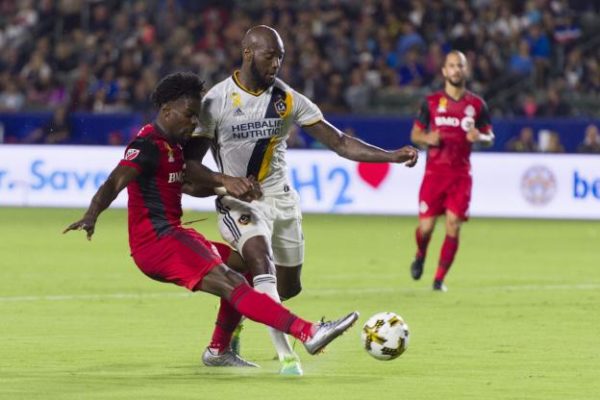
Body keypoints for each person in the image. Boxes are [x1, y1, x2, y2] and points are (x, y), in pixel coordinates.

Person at [63, 72, 359, 371]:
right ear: (166, 110)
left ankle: (219, 350)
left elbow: (188, 186)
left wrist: (227, 188)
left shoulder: (174, 146)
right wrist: (91, 214)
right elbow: (114, 182)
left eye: (197, 116)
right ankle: (308, 332)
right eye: (189, 115)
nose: (194, 122)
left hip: (174, 235)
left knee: (243, 267)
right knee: (232, 283)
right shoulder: (148, 145)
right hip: (158, 243)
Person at [185, 25, 418, 375]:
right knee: (261, 263)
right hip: (240, 203)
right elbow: (190, 165)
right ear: (248, 53)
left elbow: (339, 142)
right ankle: (289, 358)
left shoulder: (287, 99)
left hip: (282, 200)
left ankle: (236, 318)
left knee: (287, 286)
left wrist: (390, 156)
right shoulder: (216, 101)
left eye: (280, 58)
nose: (275, 64)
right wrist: (226, 183)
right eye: (269, 56)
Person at [409, 50, 495, 292]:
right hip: (434, 175)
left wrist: (480, 137)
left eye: (460, 65)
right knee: (426, 228)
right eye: (452, 65)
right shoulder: (431, 102)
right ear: (444, 71)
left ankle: (438, 280)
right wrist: (427, 138)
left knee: (453, 224)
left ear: (466, 70)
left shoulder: (476, 105)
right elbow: (415, 134)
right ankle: (420, 254)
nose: (456, 69)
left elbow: (490, 136)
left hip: (460, 175)